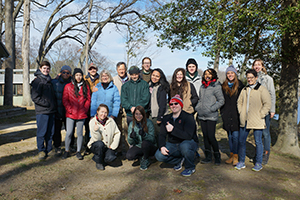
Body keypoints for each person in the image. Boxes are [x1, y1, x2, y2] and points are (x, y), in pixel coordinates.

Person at [236, 69, 271, 172]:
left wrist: (261, 114)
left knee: (258, 142)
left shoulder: (262, 89)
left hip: (257, 120)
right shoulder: (244, 89)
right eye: (248, 78)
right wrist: (241, 112)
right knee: (241, 141)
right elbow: (239, 102)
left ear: (256, 78)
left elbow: (267, 104)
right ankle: (241, 161)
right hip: (245, 119)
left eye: (251, 77)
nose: (249, 79)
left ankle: (258, 163)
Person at [155, 95, 199, 177]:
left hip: (188, 142)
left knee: (184, 146)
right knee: (159, 155)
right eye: (171, 104)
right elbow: (161, 135)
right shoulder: (166, 118)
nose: (173, 106)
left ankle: (190, 167)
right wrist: (162, 146)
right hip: (173, 144)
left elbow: (189, 135)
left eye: (176, 103)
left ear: (181, 105)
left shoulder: (188, 117)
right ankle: (179, 160)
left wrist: (173, 130)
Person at [195, 68, 224, 165]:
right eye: (206, 74)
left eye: (210, 74)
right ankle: (208, 157)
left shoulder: (216, 86)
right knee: (205, 137)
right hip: (202, 115)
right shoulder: (202, 86)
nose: (207, 76)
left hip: (211, 116)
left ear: (213, 75)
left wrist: (212, 108)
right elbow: (200, 99)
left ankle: (217, 156)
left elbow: (221, 100)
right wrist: (198, 108)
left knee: (211, 137)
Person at [62, 68, 91, 160]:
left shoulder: (86, 86)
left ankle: (78, 151)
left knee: (79, 133)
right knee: (69, 133)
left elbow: (88, 99)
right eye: (77, 75)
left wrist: (84, 109)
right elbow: (65, 99)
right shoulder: (68, 86)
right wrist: (69, 109)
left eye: (80, 75)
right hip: (71, 114)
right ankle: (67, 150)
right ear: (74, 76)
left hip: (81, 114)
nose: (78, 77)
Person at [31, 61, 57, 160]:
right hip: (42, 111)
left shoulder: (49, 81)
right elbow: (35, 97)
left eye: (48, 68)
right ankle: (41, 150)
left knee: (50, 132)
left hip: (51, 111)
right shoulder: (38, 81)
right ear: (40, 69)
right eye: (44, 68)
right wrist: (46, 104)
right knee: (42, 132)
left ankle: (49, 149)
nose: (46, 70)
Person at [252, 59, 276, 165]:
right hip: (254, 111)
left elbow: (272, 94)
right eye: (255, 65)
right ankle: (258, 153)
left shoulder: (268, 79)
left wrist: (272, 110)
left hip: (265, 110)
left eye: (259, 65)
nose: (257, 66)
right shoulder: (251, 79)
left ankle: (266, 154)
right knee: (257, 134)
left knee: (265, 133)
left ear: (262, 66)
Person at [220, 65, 244, 166]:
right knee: (229, 136)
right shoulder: (223, 86)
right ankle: (231, 155)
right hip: (226, 114)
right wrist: (222, 112)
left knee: (235, 136)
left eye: (232, 73)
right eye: (228, 73)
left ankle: (236, 156)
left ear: (235, 74)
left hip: (236, 115)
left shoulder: (241, 86)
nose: (230, 75)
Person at [88, 104, 121, 170]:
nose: (103, 114)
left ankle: (102, 158)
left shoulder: (111, 120)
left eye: (105, 112)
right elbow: (96, 139)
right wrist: (95, 131)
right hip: (96, 145)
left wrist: (113, 146)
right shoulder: (92, 122)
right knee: (100, 144)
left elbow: (117, 133)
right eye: (102, 112)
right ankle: (98, 161)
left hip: (108, 146)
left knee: (112, 159)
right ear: (97, 111)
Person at [126, 106, 157, 170]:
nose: (138, 116)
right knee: (129, 156)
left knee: (144, 143)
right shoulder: (132, 124)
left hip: (149, 146)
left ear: (143, 114)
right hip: (139, 145)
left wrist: (144, 135)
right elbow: (130, 142)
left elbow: (153, 139)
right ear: (134, 115)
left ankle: (146, 159)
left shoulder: (149, 122)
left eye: (140, 114)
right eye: (136, 114)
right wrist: (131, 137)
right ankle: (142, 157)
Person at [51, 65, 72, 156]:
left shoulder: (72, 83)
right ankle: (57, 146)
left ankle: (71, 145)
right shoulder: (54, 82)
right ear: (60, 73)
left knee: (70, 130)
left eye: (67, 73)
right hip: (57, 110)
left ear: (70, 74)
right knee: (57, 130)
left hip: (69, 111)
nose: (65, 74)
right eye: (64, 72)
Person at [113, 62, 130, 155]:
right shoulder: (114, 80)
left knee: (127, 128)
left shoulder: (130, 79)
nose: (121, 71)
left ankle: (128, 149)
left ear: (126, 69)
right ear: (117, 70)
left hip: (128, 107)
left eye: (123, 69)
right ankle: (118, 149)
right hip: (117, 107)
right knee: (118, 129)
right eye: (119, 69)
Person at [83, 63, 101, 153]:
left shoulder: (100, 79)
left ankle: (97, 145)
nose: (92, 70)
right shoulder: (84, 79)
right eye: (91, 69)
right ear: (88, 70)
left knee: (97, 126)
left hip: (97, 106)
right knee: (87, 127)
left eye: (94, 69)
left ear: (96, 69)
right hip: (87, 105)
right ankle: (87, 146)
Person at [149, 68, 170, 138]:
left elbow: (163, 104)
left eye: (157, 76)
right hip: (151, 115)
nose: (154, 77)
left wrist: (159, 117)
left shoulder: (161, 88)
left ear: (160, 77)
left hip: (159, 116)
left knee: (160, 137)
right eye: (153, 75)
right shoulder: (149, 85)